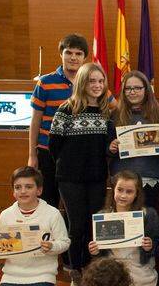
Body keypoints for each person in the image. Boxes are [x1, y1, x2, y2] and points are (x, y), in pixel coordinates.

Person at [29, 34, 115, 208]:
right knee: (48, 202)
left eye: (78, 53)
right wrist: (32, 155)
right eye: (69, 53)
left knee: (77, 208)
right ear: (61, 54)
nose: (73, 57)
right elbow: (35, 120)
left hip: (81, 156)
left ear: (84, 57)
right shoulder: (45, 83)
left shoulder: (94, 83)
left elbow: (116, 108)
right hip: (48, 151)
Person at [49, 62, 112, 286]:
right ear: (81, 83)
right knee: (76, 226)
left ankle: (91, 270)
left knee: (93, 226)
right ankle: (75, 271)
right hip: (70, 179)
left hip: (96, 178)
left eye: (100, 81)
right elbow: (53, 147)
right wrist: (70, 166)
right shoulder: (66, 110)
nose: (96, 85)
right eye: (91, 81)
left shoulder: (107, 112)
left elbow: (108, 146)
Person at [0, 166, 70, 286]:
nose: (23, 191)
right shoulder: (6, 215)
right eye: (18, 187)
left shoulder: (52, 214)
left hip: (42, 274)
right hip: (13, 274)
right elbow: (5, 247)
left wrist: (52, 246)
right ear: (13, 192)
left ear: (39, 190)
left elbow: (65, 242)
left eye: (28, 187)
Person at [87, 170, 159, 286]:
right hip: (111, 269)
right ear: (113, 190)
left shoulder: (148, 214)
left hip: (139, 269)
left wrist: (149, 247)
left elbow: (158, 246)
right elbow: (100, 255)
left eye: (129, 191)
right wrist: (95, 250)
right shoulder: (102, 216)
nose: (123, 195)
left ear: (136, 194)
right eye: (120, 190)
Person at [107, 70, 159, 209]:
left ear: (146, 90)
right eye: (128, 88)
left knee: (148, 217)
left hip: (150, 177)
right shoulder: (114, 115)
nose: (132, 92)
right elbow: (105, 148)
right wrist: (111, 147)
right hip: (122, 179)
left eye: (137, 88)